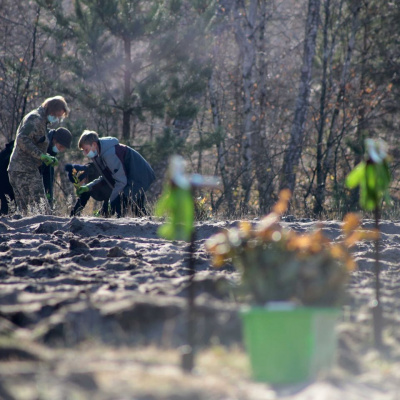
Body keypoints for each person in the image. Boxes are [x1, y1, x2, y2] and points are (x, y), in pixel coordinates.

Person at [7, 95, 70, 214]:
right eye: (57, 115)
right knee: (42, 210)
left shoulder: (42, 121)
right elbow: (22, 139)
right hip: (24, 170)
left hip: (24, 169)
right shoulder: (35, 119)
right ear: (51, 110)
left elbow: (35, 142)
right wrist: (40, 155)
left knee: (26, 211)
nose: (57, 119)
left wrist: (46, 157)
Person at [76, 130, 155, 217]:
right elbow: (106, 177)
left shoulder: (109, 154)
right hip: (131, 177)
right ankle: (152, 226)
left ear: (94, 144)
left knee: (121, 204)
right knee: (137, 209)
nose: (85, 153)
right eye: (83, 150)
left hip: (139, 176)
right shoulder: (100, 153)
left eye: (86, 149)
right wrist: (88, 187)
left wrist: (111, 202)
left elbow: (121, 181)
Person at [41, 127, 73, 205]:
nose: (61, 150)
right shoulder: (42, 142)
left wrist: (48, 191)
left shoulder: (51, 151)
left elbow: (48, 175)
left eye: (63, 148)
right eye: (61, 146)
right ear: (54, 140)